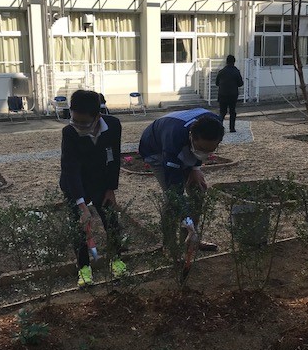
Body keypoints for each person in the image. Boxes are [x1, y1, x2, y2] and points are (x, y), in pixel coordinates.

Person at [60, 89, 126, 287]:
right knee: (79, 228)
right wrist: (81, 204)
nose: (78, 126)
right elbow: (70, 168)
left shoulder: (113, 126)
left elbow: (114, 158)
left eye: (84, 123)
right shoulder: (69, 132)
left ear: (97, 115)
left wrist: (110, 188)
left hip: (101, 182)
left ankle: (117, 260)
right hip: (75, 184)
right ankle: (84, 269)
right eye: (75, 120)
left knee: (111, 222)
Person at [138, 108, 225, 251]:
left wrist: (195, 168)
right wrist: (187, 220)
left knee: (198, 190)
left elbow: (200, 151)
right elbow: (175, 191)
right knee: (171, 198)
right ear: (192, 136)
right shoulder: (173, 140)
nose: (205, 154)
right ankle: (169, 246)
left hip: (182, 143)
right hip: (156, 150)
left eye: (210, 150)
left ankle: (190, 239)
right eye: (202, 148)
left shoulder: (215, 125)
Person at [215, 55, 244, 133]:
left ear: (226, 62)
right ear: (234, 62)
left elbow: (217, 83)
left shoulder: (221, 71)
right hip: (232, 95)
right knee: (232, 111)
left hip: (222, 94)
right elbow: (240, 83)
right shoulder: (236, 71)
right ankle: (232, 128)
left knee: (222, 112)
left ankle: (218, 128)